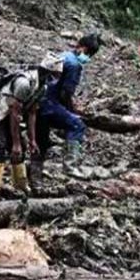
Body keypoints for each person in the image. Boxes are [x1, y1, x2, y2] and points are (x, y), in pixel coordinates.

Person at [0, 53, 63, 193]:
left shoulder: (41, 87)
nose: (55, 79)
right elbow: (14, 113)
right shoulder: (24, 83)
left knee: (21, 150)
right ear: (48, 72)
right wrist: (16, 143)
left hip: (10, 113)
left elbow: (31, 112)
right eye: (54, 75)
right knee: (0, 147)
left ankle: (19, 185)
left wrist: (32, 140)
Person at [31, 33, 102, 184]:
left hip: (36, 102)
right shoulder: (75, 65)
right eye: (89, 53)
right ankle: (70, 167)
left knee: (41, 140)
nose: (88, 57)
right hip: (50, 104)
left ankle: (34, 174)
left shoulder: (62, 55)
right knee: (77, 125)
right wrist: (73, 112)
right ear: (83, 48)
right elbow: (65, 94)